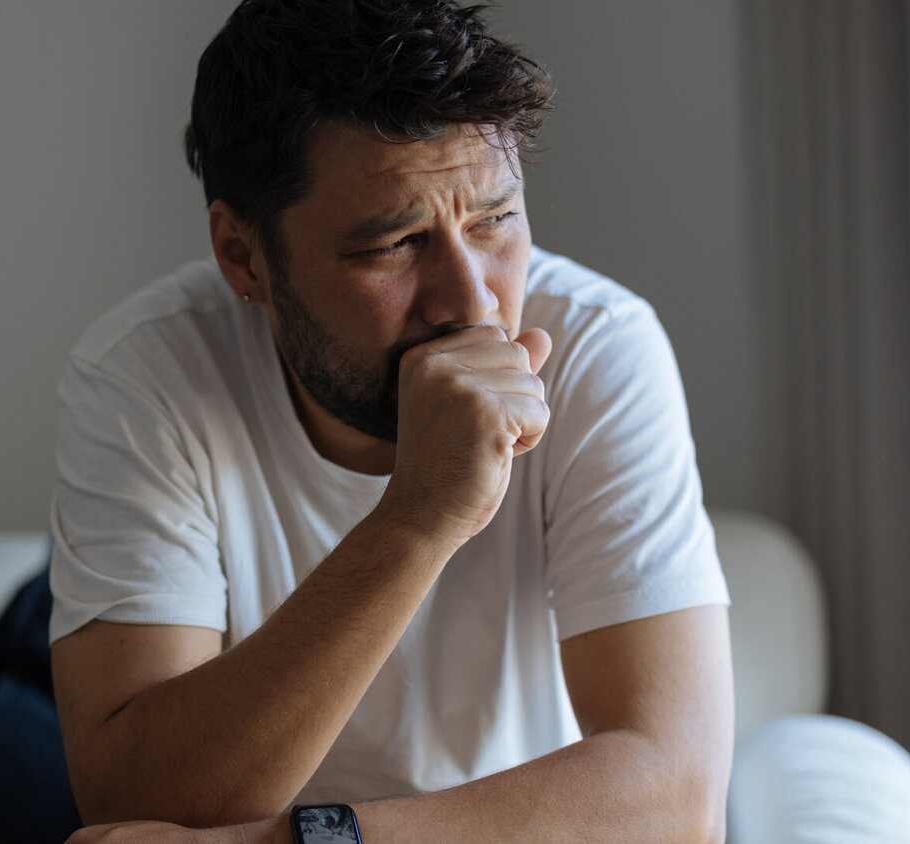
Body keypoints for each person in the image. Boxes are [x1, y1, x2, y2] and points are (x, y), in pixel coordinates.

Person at [49, 1, 734, 842]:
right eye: (395, 244)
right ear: (243, 254)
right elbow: (132, 803)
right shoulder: (149, 371)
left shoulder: (598, 346)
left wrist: (313, 841)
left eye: (495, 221)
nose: (474, 302)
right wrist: (420, 516)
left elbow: (676, 798)